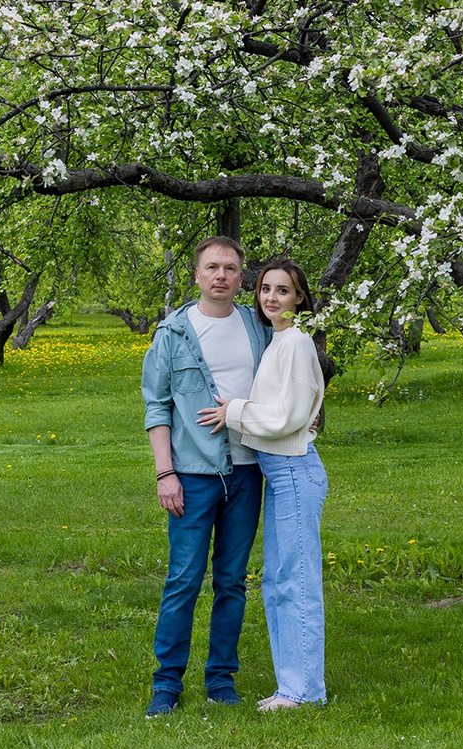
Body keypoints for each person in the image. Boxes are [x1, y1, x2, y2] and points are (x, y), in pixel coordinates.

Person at [139, 235, 268, 716]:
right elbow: (157, 406)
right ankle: (166, 685)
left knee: (232, 581)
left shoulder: (258, 328)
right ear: (197, 275)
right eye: (212, 267)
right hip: (191, 475)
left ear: (241, 277)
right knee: (184, 580)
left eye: (230, 268)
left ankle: (220, 679)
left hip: (248, 472)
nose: (221, 275)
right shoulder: (173, 333)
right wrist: (164, 473)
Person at [206, 257, 327, 710]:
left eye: (283, 290)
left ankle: (304, 691)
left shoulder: (296, 343)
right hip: (276, 472)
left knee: (295, 581)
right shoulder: (278, 341)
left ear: (300, 298)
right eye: (265, 290)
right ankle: (290, 686)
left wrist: (233, 412)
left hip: (294, 470)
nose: (272, 298)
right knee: (278, 580)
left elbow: (287, 417)